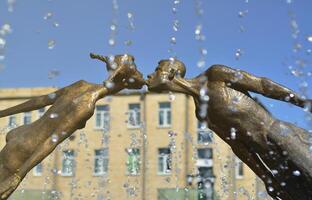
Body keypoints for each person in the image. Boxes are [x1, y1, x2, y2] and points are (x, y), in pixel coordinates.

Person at [146, 59, 312, 200]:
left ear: (171, 72)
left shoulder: (215, 75)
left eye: (157, 70)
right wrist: (267, 179)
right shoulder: (202, 114)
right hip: (269, 158)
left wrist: (303, 103)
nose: (149, 75)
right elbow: (238, 147)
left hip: (280, 134)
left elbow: (263, 85)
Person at [0, 53, 145, 200]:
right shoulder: (86, 106)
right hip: (23, 153)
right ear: (123, 82)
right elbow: (52, 140)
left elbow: (40, 101)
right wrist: (19, 175)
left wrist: (2, 113)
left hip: (20, 134)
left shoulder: (80, 85)